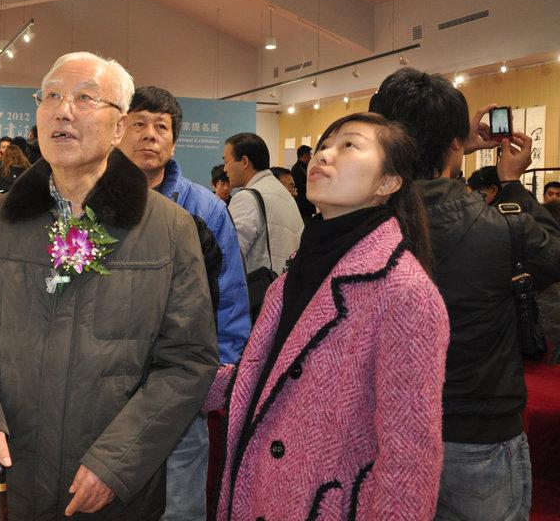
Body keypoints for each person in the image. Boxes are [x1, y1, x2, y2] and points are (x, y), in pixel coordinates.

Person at [0, 52, 219, 520]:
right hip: (14, 482)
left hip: (114, 493)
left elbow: (188, 361)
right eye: (51, 96)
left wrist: (116, 464)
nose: (63, 111)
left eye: (85, 98)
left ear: (119, 126)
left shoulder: (169, 228)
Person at [205, 112, 449, 520]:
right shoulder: (300, 271)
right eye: (324, 145)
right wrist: (182, 378)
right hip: (262, 492)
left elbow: (409, 455)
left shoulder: (403, 290)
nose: (324, 155)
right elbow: (273, 378)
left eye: (349, 145)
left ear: (388, 183)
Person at [369, 67, 560, 520]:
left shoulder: (356, 220)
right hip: (477, 430)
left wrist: (454, 148)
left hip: (378, 426)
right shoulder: (500, 226)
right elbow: (553, 257)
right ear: (456, 143)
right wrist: (511, 184)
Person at [117, 85, 250, 521]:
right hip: (110, 385)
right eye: (138, 124)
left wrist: (218, 375)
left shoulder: (206, 209)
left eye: (161, 127)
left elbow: (230, 298)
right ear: (118, 131)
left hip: (180, 385)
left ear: (174, 142)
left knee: (181, 504)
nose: (149, 135)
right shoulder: (95, 203)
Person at [223, 133, 303, 316]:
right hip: (287, 295)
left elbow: (229, 256)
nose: (225, 169)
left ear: (244, 161)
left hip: (258, 302)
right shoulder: (281, 192)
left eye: (226, 161)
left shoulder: (247, 198)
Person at [291, 145, 315, 219]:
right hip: (302, 203)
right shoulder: (296, 169)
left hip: (308, 202)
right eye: (310, 155)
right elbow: (299, 186)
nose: (311, 157)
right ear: (305, 155)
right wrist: (313, 187)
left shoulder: (307, 167)